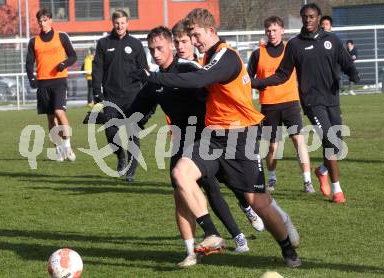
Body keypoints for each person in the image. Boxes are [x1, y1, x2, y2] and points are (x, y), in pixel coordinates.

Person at [132, 8, 302, 267]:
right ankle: (212, 233)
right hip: (213, 137)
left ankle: (288, 249)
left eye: (196, 35)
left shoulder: (226, 56)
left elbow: (201, 78)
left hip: (240, 137)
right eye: (190, 35)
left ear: (211, 31)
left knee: (258, 203)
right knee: (181, 174)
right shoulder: (209, 57)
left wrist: (153, 76)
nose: (194, 40)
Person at [255, 3, 360, 204]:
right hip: (311, 102)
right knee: (329, 140)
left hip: (332, 99)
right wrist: (258, 83)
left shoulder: (332, 40)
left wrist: (354, 74)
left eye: (312, 17)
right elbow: (282, 74)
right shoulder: (295, 45)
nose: (308, 20)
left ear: (319, 18)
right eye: (305, 17)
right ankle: (337, 190)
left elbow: (345, 62)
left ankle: (322, 170)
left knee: (337, 144)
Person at [248, 16, 314, 194]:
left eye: (275, 30)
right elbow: (247, 79)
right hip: (269, 106)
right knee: (272, 146)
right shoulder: (257, 54)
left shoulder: (290, 50)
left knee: (298, 139)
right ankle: (272, 177)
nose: (272, 33)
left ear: (282, 31)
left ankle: (307, 181)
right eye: (268, 30)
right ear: (265, 32)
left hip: (291, 103)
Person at [92, 9, 150, 182]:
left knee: (133, 134)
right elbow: (97, 69)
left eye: (123, 23)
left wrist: (147, 93)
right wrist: (96, 90)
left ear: (127, 23)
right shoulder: (103, 43)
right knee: (110, 132)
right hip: (111, 96)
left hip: (133, 96)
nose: (120, 26)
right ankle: (121, 156)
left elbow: (144, 70)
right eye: (117, 23)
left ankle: (131, 171)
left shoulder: (135, 44)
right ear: (113, 23)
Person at [26, 8, 77, 162]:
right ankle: (59, 149)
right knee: (50, 119)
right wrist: (31, 78)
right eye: (40, 21)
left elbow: (73, 56)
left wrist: (64, 63)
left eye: (45, 20)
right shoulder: (34, 41)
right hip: (43, 83)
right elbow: (29, 63)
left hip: (59, 81)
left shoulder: (61, 36)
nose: (42, 23)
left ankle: (67, 146)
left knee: (59, 112)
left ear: (50, 20)